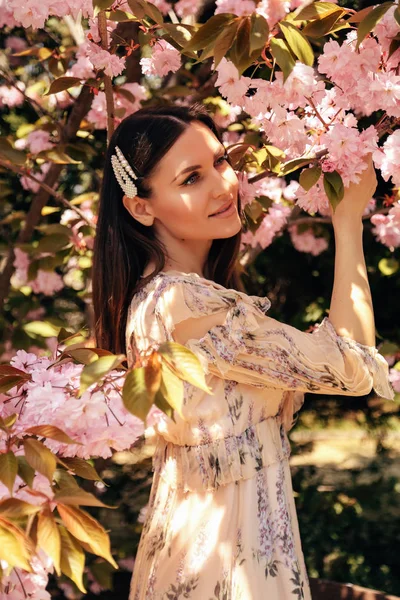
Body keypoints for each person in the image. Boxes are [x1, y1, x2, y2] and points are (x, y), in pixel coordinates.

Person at [92, 103, 394, 600]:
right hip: (226, 572)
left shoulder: (159, 299)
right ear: (141, 207)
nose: (222, 185)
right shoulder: (185, 305)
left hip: (220, 559)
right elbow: (352, 369)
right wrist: (347, 221)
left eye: (221, 162)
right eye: (191, 178)